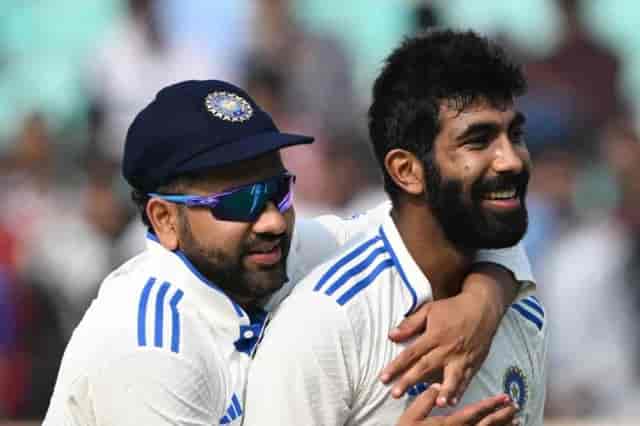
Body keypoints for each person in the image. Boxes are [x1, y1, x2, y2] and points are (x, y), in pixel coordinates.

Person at [43, 79, 535, 425]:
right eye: (239, 202)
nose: (274, 221)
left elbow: (449, 222)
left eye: (278, 189)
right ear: (165, 221)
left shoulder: (292, 252)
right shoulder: (150, 348)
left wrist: (483, 300)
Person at [242, 30, 548, 426]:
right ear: (407, 171)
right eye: (478, 140)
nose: (511, 160)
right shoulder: (325, 324)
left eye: (515, 134)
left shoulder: (521, 311)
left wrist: (488, 298)